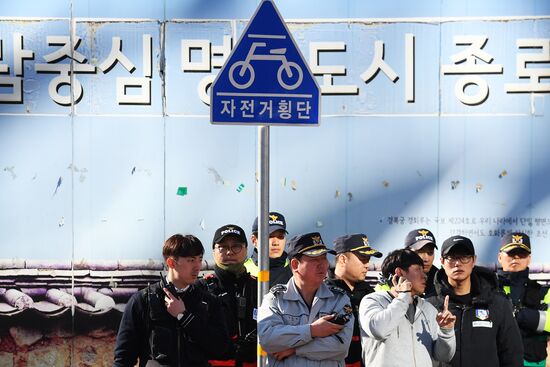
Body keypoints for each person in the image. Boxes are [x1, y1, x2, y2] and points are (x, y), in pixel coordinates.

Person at [113, 234, 230, 367]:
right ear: (171, 262)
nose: (198, 266)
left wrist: (185, 317)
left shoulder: (208, 301)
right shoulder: (142, 300)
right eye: (191, 260)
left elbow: (221, 349)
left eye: (200, 259)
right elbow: (123, 357)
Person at [258, 232, 353, 367]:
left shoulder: (339, 299)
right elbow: (267, 339)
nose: (323, 265)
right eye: (314, 260)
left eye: (324, 258)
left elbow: (340, 346)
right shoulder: (275, 299)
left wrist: (295, 349)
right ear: (295, 265)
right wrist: (312, 331)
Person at [427, 235, 523, 367]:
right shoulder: (429, 305)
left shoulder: (497, 303)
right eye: (452, 257)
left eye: (464, 257)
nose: (458, 263)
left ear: (473, 261)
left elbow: (512, 353)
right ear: (442, 262)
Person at [359, 249, 456, 367]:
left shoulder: (428, 309)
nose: (424, 276)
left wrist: (446, 331)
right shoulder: (372, 301)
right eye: (418, 269)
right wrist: (403, 296)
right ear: (399, 273)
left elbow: (444, 357)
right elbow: (379, 331)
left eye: (423, 270)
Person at [196, 224, 257, 367]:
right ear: (213, 251)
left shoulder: (260, 287)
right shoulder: (200, 289)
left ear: (246, 250)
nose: (229, 252)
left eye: (236, 246)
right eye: (223, 247)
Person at [325, 233, 382, 367]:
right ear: (343, 259)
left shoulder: (369, 292)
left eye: (368, 259)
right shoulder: (323, 292)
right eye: (363, 259)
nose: (367, 265)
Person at [496, 232, 550, 367]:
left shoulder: (543, 291)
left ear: (529, 259)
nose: (516, 257)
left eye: (522, 254)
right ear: (500, 257)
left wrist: (521, 315)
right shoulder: (488, 289)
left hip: (533, 362)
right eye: (511, 253)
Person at [245, 211, 292, 287]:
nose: (276, 243)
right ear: (254, 240)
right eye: (269, 236)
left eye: (280, 237)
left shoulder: (296, 269)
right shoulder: (244, 271)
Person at [404, 228, 439, 298]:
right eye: (419, 252)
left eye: (430, 252)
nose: (426, 258)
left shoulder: (441, 280)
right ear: (406, 252)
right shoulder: (393, 278)